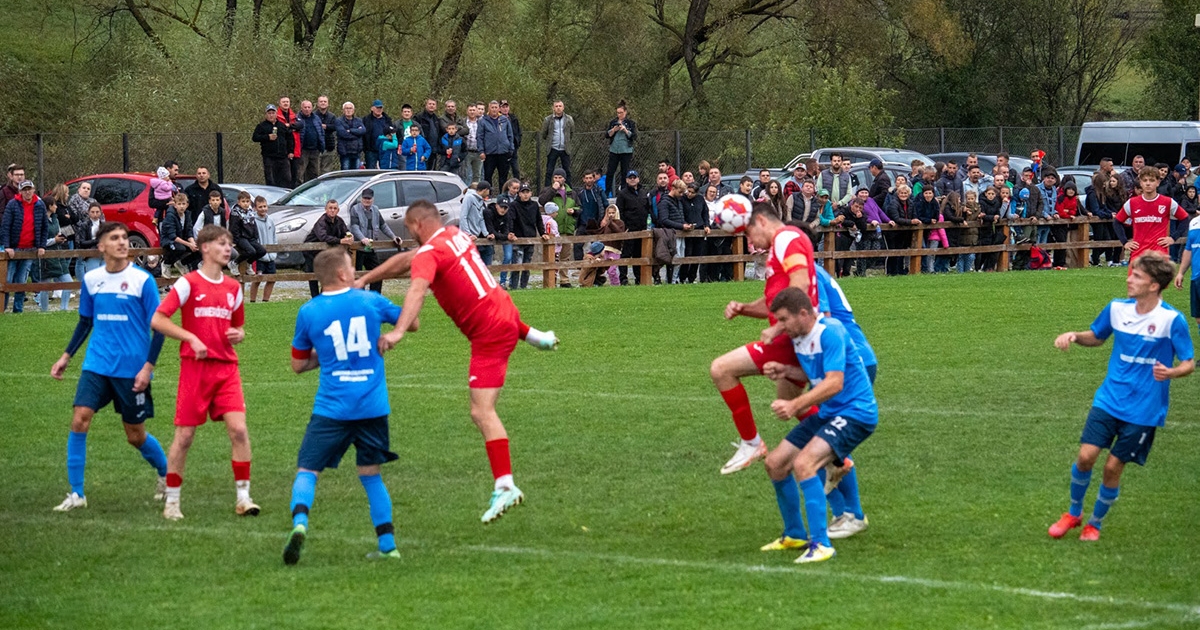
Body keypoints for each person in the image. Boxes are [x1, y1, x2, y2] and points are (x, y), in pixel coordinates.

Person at [354, 200, 560, 523]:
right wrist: (366, 279)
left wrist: (398, 332)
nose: (410, 235)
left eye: (409, 229)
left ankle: (505, 484)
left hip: (489, 334)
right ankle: (537, 337)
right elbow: (407, 261)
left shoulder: (429, 253)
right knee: (498, 322)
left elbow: (416, 291)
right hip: (507, 313)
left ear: (418, 225)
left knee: (482, 411)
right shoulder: (454, 235)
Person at [1049, 252, 1193, 541]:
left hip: (1144, 409)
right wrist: (1076, 336)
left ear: (1154, 285)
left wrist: (1171, 373)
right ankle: (1074, 513)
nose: (1129, 279)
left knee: (1113, 467)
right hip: (1109, 398)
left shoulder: (1171, 320)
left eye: (1137, 276)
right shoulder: (1117, 309)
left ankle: (1095, 524)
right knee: (1086, 456)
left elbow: (1188, 362)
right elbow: (1097, 336)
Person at [283, 248, 414, 564]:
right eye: (351, 266)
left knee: (308, 469)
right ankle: (388, 545)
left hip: (332, 408)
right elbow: (413, 323)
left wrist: (325, 357)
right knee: (371, 475)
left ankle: (300, 522)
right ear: (342, 274)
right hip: (372, 407)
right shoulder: (371, 301)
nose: (355, 271)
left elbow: (298, 365)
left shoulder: (309, 311)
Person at [49, 221, 169, 512]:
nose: (122, 242)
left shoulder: (143, 280)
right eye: (114, 238)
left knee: (135, 435)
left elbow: (160, 327)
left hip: (132, 369)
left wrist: (147, 367)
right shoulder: (92, 280)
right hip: (97, 364)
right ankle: (77, 493)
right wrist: (66, 356)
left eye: (125, 237)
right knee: (80, 418)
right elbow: (86, 321)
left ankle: (168, 475)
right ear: (101, 245)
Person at [758, 285, 878, 563]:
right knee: (775, 463)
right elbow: (814, 373)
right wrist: (786, 371)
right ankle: (795, 534)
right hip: (831, 414)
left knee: (804, 465)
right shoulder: (800, 336)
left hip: (856, 413)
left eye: (784, 320)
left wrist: (794, 405)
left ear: (803, 313)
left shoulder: (831, 331)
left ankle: (821, 545)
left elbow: (834, 382)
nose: (781, 327)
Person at [151, 225, 258, 521]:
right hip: (194, 370)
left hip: (226, 369)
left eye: (230, 244)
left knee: (238, 429)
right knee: (184, 437)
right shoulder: (188, 283)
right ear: (205, 248)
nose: (228, 249)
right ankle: (172, 502)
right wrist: (189, 337)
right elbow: (158, 319)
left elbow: (237, 327)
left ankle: (243, 497)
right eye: (223, 244)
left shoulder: (233, 288)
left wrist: (240, 335)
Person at [708, 204, 817, 475]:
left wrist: (778, 328)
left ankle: (752, 443)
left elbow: (800, 286)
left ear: (760, 221)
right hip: (797, 338)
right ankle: (839, 456)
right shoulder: (779, 246)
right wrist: (744, 308)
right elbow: (776, 301)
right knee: (792, 404)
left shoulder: (786, 238)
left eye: (748, 233)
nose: (748, 240)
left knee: (721, 369)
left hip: (790, 339)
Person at [1116, 167, 1190, 264]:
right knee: (1135, 279)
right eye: (1145, 180)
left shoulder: (1167, 202)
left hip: (1159, 255)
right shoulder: (1132, 203)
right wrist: (1125, 242)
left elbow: (1185, 218)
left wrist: (1173, 238)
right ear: (1140, 183)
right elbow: (1117, 221)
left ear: (1158, 182)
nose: (1148, 183)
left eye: (1152, 180)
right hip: (1138, 254)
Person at [2, 180, 48, 313]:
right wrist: (7, 246)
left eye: (30, 189)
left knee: (21, 281)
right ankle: (2, 308)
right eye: (25, 189)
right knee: (7, 280)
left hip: (30, 249)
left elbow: (44, 227)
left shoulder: (40, 205)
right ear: (20, 191)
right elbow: (6, 226)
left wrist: (42, 246)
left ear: (34, 190)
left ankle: (18, 310)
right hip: (14, 249)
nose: (27, 192)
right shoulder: (12, 204)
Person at [349, 188, 402, 292]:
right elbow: (354, 227)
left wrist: (393, 237)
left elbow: (383, 226)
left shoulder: (376, 210)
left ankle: (375, 296)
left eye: (369, 198)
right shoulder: (355, 209)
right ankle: (360, 298)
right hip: (359, 249)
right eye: (364, 198)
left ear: (373, 199)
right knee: (358, 276)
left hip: (371, 248)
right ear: (361, 198)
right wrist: (362, 239)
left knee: (378, 273)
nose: (366, 200)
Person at [303, 200, 355, 298]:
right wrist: (340, 241)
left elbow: (346, 231)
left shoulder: (339, 221)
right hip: (311, 251)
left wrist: (350, 236)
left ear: (338, 210)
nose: (332, 210)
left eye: (335, 208)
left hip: (326, 252)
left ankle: (324, 295)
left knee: (328, 273)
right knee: (313, 275)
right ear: (326, 209)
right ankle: (315, 298)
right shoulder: (321, 222)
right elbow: (323, 237)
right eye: (330, 208)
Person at [508, 184, 548, 290]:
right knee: (517, 264)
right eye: (523, 192)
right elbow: (511, 219)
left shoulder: (534, 205)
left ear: (531, 193)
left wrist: (543, 233)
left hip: (531, 238)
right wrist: (511, 232)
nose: (525, 195)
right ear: (519, 194)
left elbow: (539, 220)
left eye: (527, 192)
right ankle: (514, 286)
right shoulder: (514, 205)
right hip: (518, 238)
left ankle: (524, 286)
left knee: (527, 264)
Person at [38, 195, 72, 312]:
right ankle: (44, 311)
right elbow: (39, 242)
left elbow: (57, 233)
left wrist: (61, 238)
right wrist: (54, 240)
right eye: (54, 204)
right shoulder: (40, 221)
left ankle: (64, 309)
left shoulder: (56, 219)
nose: (57, 206)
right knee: (45, 287)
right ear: (49, 206)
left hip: (58, 255)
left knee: (69, 283)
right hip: (46, 257)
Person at [616, 171, 650, 285]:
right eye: (630, 178)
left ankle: (639, 278)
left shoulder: (643, 193)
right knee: (626, 254)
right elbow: (619, 211)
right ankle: (623, 278)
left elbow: (647, 209)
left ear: (638, 179)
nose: (632, 179)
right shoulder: (622, 194)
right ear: (626, 180)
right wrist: (623, 227)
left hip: (641, 229)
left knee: (638, 254)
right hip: (629, 229)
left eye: (634, 177)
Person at [253, 104, 293, 187]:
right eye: (269, 113)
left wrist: (290, 151)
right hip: (269, 157)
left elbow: (289, 138)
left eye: (273, 113)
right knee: (271, 179)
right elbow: (255, 137)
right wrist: (267, 137)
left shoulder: (282, 125)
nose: (271, 115)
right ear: (266, 114)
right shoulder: (261, 126)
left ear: (276, 114)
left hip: (283, 157)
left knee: (287, 179)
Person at [160, 192, 199, 279]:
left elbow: (189, 231)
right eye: (179, 204)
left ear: (187, 205)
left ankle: (182, 263)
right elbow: (172, 236)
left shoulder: (187, 215)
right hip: (169, 241)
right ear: (175, 205)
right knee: (180, 248)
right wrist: (188, 244)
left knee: (199, 249)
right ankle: (166, 264)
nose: (181, 206)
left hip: (181, 240)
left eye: (183, 204)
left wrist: (193, 243)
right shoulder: (170, 216)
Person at [229, 191, 266, 277]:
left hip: (250, 236)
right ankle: (234, 263)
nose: (245, 204)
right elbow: (234, 227)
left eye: (247, 201)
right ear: (239, 202)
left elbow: (253, 224)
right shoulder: (235, 212)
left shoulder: (250, 211)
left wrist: (255, 236)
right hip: (241, 237)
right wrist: (234, 240)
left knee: (262, 251)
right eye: (243, 201)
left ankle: (249, 264)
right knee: (251, 251)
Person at [679, 182, 710, 284]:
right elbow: (680, 213)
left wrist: (706, 225)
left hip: (699, 229)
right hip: (687, 230)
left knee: (697, 255)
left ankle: (692, 278)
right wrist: (684, 224)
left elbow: (705, 212)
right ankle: (682, 277)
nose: (689, 194)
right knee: (687, 254)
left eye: (692, 192)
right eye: (688, 191)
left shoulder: (700, 199)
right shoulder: (682, 199)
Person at [604, 100, 637, 197]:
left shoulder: (630, 123)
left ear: (625, 112)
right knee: (610, 171)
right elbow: (607, 135)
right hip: (614, 150)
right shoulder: (613, 122)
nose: (619, 115)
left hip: (626, 150)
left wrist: (625, 130)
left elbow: (634, 136)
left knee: (624, 171)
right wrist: (614, 130)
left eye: (621, 113)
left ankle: (624, 191)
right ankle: (607, 192)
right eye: (618, 113)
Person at [249, 196, 277, 303]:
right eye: (260, 207)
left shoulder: (270, 220)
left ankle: (266, 300)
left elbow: (274, 236)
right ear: (255, 208)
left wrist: (274, 250)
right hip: (259, 256)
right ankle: (252, 300)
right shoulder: (253, 221)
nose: (263, 209)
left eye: (265, 206)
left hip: (271, 255)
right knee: (257, 279)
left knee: (272, 279)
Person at [541, 100, 574, 187]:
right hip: (553, 148)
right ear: (553, 108)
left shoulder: (569, 119)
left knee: (567, 171)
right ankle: (547, 190)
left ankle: (568, 190)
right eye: (556, 106)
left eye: (560, 106)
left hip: (565, 149)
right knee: (549, 171)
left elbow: (571, 133)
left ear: (563, 108)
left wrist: (566, 141)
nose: (558, 108)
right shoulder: (548, 119)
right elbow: (544, 133)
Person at [296, 100, 326, 183]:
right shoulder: (297, 118)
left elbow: (321, 132)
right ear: (301, 108)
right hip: (303, 150)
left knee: (314, 174)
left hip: (315, 150)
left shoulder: (316, 118)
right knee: (299, 173)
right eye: (305, 107)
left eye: (309, 107)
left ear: (312, 108)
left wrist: (321, 145)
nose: (307, 109)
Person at [75, 200, 106, 276]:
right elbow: (82, 242)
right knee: (94, 277)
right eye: (92, 212)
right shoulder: (84, 225)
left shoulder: (104, 225)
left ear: (101, 212)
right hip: (91, 254)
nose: (95, 214)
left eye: (97, 212)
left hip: (104, 254)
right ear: (88, 212)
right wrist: (96, 241)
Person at [361, 100, 393, 169]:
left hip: (384, 150)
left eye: (380, 108)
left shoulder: (387, 120)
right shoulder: (366, 120)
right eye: (377, 108)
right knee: (370, 170)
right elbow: (363, 134)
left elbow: (392, 133)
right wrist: (365, 147)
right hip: (371, 150)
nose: (379, 109)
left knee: (385, 170)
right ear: (372, 108)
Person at [334, 102, 366, 170]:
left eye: (350, 108)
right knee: (345, 173)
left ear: (354, 110)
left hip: (356, 152)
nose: (348, 110)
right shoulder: (339, 121)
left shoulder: (359, 120)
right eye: (346, 108)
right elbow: (343, 134)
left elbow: (363, 131)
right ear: (343, 110)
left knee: (356, 173)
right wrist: (357, 134)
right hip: (345, 152)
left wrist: (350, 130)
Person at [415, 98, 443, 170]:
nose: (431, 106)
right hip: (422, 149)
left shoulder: (436, 119)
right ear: (426, 105)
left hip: (433, 150)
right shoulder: (419, 117)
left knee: (431, 171)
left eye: (433, 104)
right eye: (430, 104)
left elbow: (439, 133)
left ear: (436, 107)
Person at [315, 95, 338, 175]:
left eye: (325, 101)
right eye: (321, 101)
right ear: (317, 104)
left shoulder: (332, 116)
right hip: (316, 147)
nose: (323, 103)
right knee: (315, 171)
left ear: (328, 104)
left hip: (329, 146)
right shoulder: (313, 116)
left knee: (326, 171)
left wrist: (326, 126)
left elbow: (335, 127)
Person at [499, 100, 522, 179]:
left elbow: (519, 131)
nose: (505, 109)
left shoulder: (513, 118)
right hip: (503, 149)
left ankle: (518, 188)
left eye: (506, 107)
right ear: (499, 109)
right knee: (504, 170)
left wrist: (518, 141)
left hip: (513, 148)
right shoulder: (497, 119)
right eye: (503, 107)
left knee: (516, 169)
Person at [462, 104, 484, 185]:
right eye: (470, 110)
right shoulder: (463, 122)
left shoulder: (481, 122)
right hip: (467, 152)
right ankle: (466, 192)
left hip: (478, 152)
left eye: (474, 110)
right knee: (467, 174)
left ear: (476, 111)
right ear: (467, 111)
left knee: (477, 175)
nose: (472, 112)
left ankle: (476, 193)